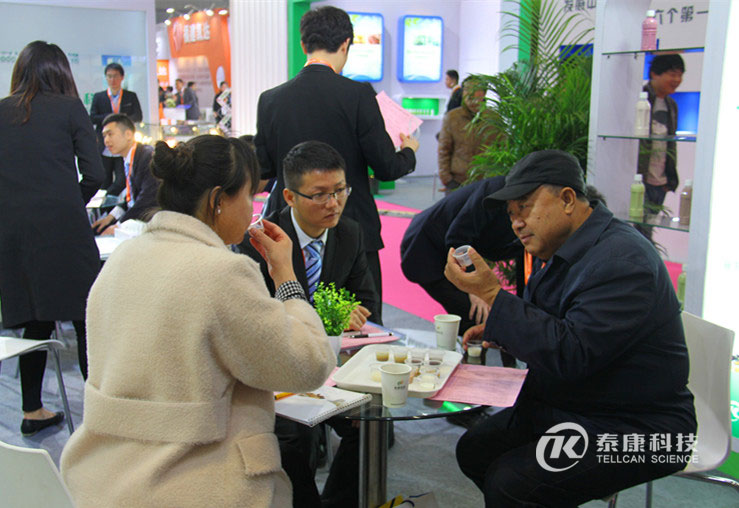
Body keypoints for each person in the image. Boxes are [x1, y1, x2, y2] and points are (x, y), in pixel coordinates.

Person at [60, 135, 337, 507]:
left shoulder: (122, 258)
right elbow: (308, 363)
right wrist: (286, 276)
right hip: (197, 483)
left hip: (102, 479)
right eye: (249, 196)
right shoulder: (223, 272)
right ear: (218, 200)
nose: (253, 208)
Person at [445, 150, 696, 506]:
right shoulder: (561, 249)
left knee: (511, 483)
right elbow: (556, 324)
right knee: (474, 450)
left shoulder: (622, 261)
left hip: (640, 424)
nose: (517, 223)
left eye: (525, 207)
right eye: (511, 214)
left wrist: (491, 295)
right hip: (579, 404)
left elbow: (572, 354)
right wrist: (501, 329)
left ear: (566, 199)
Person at [255, 6, 419, 319]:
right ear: (346, 44)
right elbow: (386, 167)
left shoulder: (271, 99)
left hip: (288, 228)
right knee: (362, 324)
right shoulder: (358, 95)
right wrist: (408, 151)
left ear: (303, 44)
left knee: (287, 322)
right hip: (348, 224)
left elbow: (264, 168)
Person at [240, 141, 377, 508]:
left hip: (333, 366)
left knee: (372, 424)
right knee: (293, 438)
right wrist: (328, 316)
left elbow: (367, 300)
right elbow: (256, 317)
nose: (334, 203)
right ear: (290, 196)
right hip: (279, 370)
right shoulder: (260, 241)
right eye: (320, 195)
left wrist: (350, 310)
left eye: (340, 191)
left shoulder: (349, 233)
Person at [0, 41, 103, 434]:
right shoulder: (70, 108)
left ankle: (32, 410)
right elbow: (95, 174)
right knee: (86, 319)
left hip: (15, 236)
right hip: (65, 231)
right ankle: (99, 413)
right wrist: (69, 203)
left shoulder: (1, 111)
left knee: (36, 321)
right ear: (61, 72)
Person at [401, 176, 519, 336]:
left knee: (490, 314)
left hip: (450, 247)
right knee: (475, 315)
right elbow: (457, 238)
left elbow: (493, 249)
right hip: (425, 248)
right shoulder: (497, 191)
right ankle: (469, 349)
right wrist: (475, 287)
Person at [91, 113, 158, 234]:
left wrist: (119, 226)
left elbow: (146, 200)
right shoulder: (129, 158)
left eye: (110, 134)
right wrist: (110, 217)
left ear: (128, 134)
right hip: (137, 220)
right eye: (104, 136)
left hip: (149, 223)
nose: (106, 140)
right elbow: (131, 197)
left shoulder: (147, 157)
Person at [638, 54, 684, 208]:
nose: (677, 80)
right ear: (654, 74)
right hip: (641, 179)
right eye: (672, 74)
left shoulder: (672, 105)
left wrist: (670, 180)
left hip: (661, 182)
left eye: (680, 75)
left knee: (653, 221)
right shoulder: (640, 99)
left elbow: (671, 145)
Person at [89, 62, 143, 196]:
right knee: (103, 180)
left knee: (122, 180)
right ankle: (104, 203)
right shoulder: (99, 97)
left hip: (123, 145)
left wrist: (122, 119)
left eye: (115, 76)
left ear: (122, 77)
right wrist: (110, 117)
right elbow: (93, 117)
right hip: (104, 147)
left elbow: (138, 116)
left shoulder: (130, 96)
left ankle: (111, 201)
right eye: (109, 76)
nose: (112, 80)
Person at [438, 76, 496, 192]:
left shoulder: (493, 118)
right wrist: (447, 179)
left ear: (484, 93)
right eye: (467, 90)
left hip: (485, 182)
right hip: (457, 181)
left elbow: (500, 148)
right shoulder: (452, 117)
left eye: (475, 90)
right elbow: (444, 150)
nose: (471, 94)